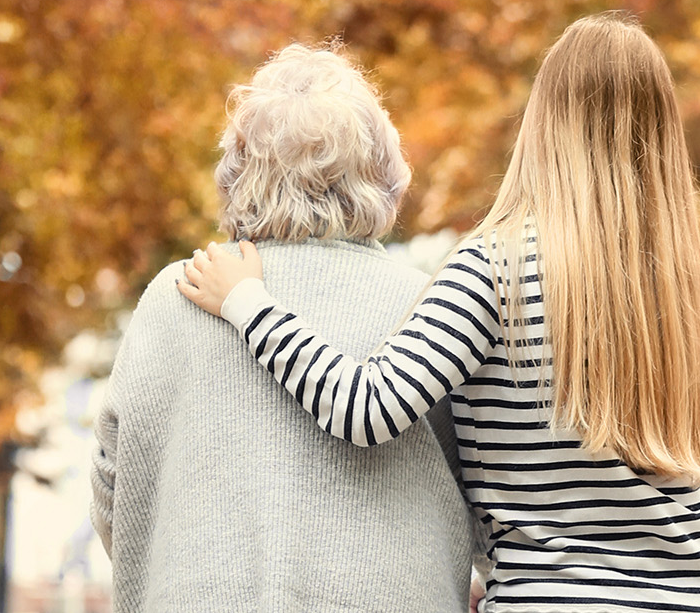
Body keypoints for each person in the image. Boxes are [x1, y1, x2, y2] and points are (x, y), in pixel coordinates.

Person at [178, 13, 700, 613]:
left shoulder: (494, 267)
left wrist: (247, 303)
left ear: (544, 121)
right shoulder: (671, 283)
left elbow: (366, 408)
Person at [90, 42, 474, 612]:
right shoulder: (425, 304)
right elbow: (480, 473)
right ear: (383, 170)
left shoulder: (180, 294)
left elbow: (112, 481)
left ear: (236, 169)